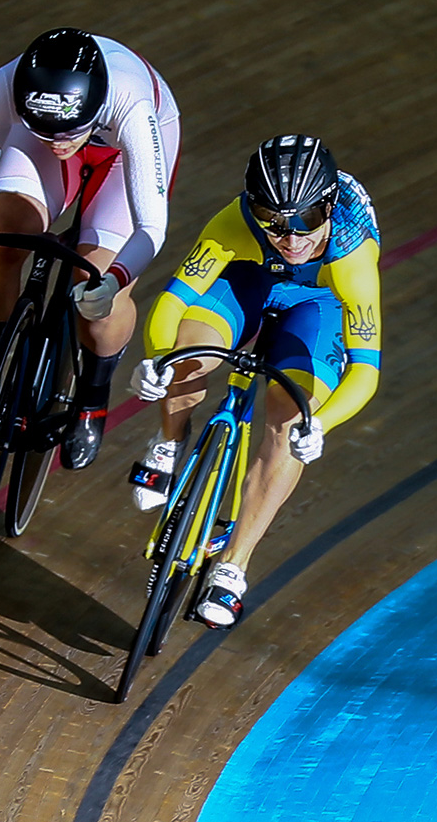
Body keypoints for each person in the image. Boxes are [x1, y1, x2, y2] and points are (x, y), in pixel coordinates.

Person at [127, 134, 381, 627]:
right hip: (248, 277)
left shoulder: (353, 259)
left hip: (319, 304)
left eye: (305, 222)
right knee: (190, 355)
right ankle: (168, 440)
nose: (289, 239)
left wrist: (321, 423)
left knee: (289, 425)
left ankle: (232, 567)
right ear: (253, 208)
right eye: (273, 222)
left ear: (327, 208)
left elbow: (366, 369)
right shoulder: (235, 223)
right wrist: (159, 358)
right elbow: (173, 302)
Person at [0, 28, 181, 468]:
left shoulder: (130, 103)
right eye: (46, 129)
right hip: (53, 135)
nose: (59, 141)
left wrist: (116, 281)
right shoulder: (8, 85)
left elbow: (151, 227)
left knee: (96, 281)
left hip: (123, 154)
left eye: (69, 131)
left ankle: (92, 398)